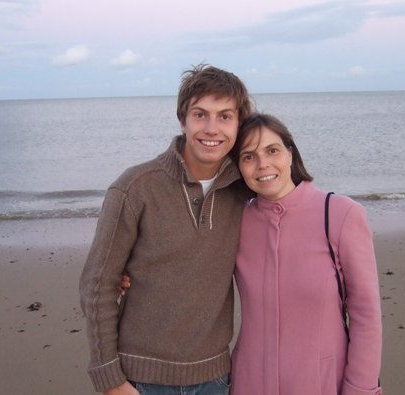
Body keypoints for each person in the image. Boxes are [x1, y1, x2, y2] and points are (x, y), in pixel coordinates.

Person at [79, 64, 252, 395]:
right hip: (139, 379)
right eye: (200, 114)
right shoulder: (135, 187)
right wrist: (110, 379)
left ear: (238, 124)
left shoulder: (246, 190)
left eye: (225, 116)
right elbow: (96, 285)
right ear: (182, 120)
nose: (212, 128)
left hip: (214, 378)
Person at [229, 113, 383, 395]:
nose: (263, 164)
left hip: (322, 382)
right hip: (249, 382)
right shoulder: (235, 222)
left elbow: (366, 313)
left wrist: (361, 388)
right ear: (239, 167)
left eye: (272, 150)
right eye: (248, 156)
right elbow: (192, 257)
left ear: (290, 153)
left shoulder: (340, 214)